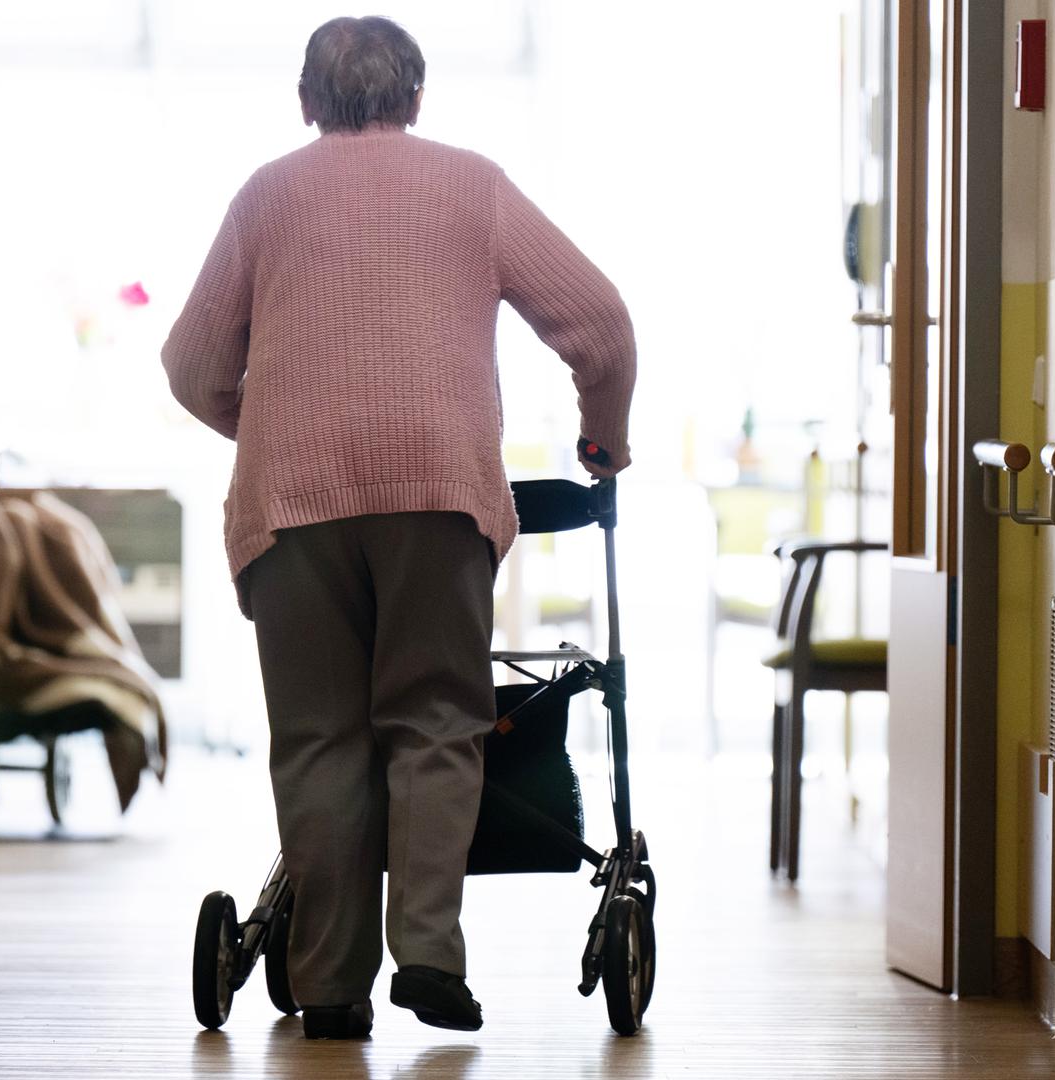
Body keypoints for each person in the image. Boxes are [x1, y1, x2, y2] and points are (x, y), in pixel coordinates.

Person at [162, 14, 636, 1041]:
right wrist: (604, 439)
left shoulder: (266, 196)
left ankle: (330, 985)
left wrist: (281, 428)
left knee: (322, 739)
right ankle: (429, 954)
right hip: (437, 495)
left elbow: (191, 367)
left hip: (292, 509)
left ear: (306, 103)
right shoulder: (473, 185)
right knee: (434, 723)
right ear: (416, 99)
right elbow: (600, 326)